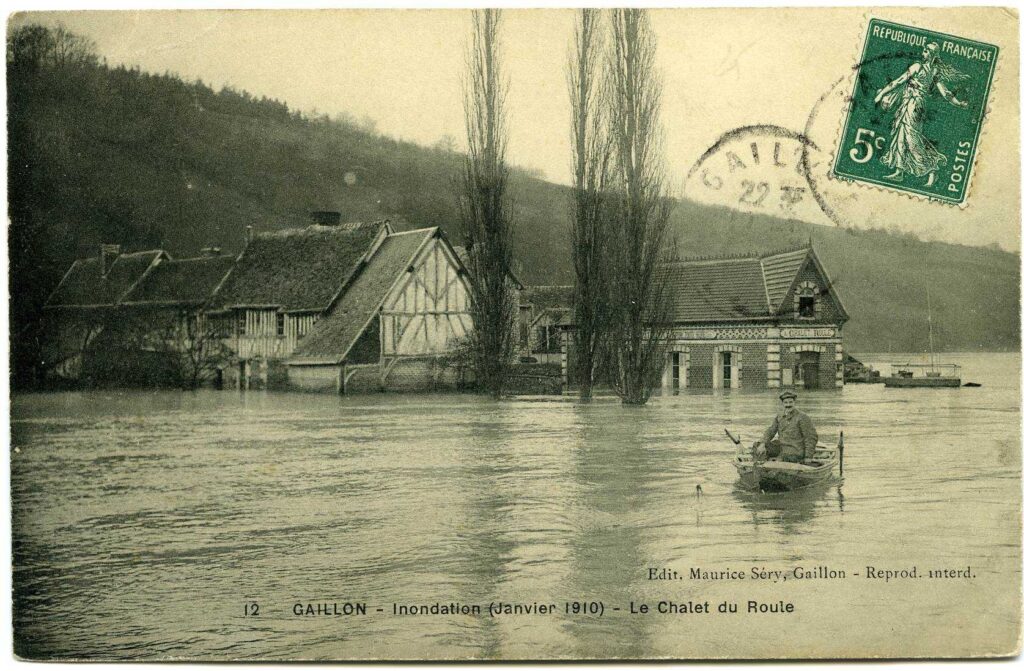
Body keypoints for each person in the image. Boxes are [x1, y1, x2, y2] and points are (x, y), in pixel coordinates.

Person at [873, 41, 969, 186]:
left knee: (912, 140)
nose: (923, 52)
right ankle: (899, 172)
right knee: (901, 135)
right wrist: (958, 103)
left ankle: (932, 170)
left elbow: (899, 82)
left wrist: (881, 95)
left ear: (931, 54)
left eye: (926, 50)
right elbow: (946, 94)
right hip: (910, 104)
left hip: (915, 105)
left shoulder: (919, 67)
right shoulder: (931, 70)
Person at [755, 390, 818, 464]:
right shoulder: (780, 416)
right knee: (757, 446)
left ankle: (772, 468)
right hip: (782, 447)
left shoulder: (802, 417)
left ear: (794, 403)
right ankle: (759, 466)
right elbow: (771, 431)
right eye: (786, 402)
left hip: (795, 450)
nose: (788, 405)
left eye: (791, 402)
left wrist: (808, 457)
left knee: (782, 459)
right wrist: (763, 444)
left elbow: (810, 437)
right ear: (782, 404)